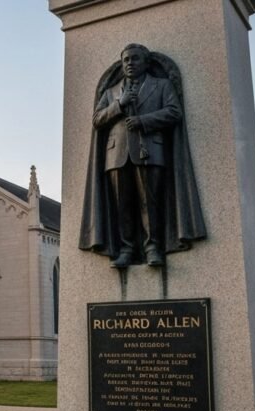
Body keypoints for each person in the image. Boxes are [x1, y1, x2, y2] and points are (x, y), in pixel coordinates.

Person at [80, 44, 206, 268]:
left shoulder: (162, 85)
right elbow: (97, 119)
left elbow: (174, 111)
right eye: (126, 60)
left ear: (146, 63)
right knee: (123, 205)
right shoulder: (111, 92)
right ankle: (127, 248)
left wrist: (144, 121)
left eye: (135, 59)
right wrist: (119, 105)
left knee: (150, 203)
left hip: (150, 151)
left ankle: (152, 247)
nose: (130, 63)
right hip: (117, 155)